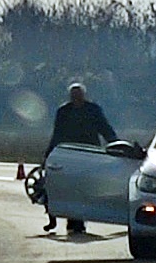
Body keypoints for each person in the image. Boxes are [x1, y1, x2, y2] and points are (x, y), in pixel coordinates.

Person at [42, 82, 117, 234]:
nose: (76, 98)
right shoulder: (63, 111)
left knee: (84, 187)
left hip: (90, 154)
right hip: (70, 154)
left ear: (83, 96)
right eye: (74, 96)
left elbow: (105, 128)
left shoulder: (93, 110)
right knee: (72, 187)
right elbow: (57, 134)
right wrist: (49, 155)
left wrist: (116, 145)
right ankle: (74, 220)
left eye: (78, 95)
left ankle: (78, 219)